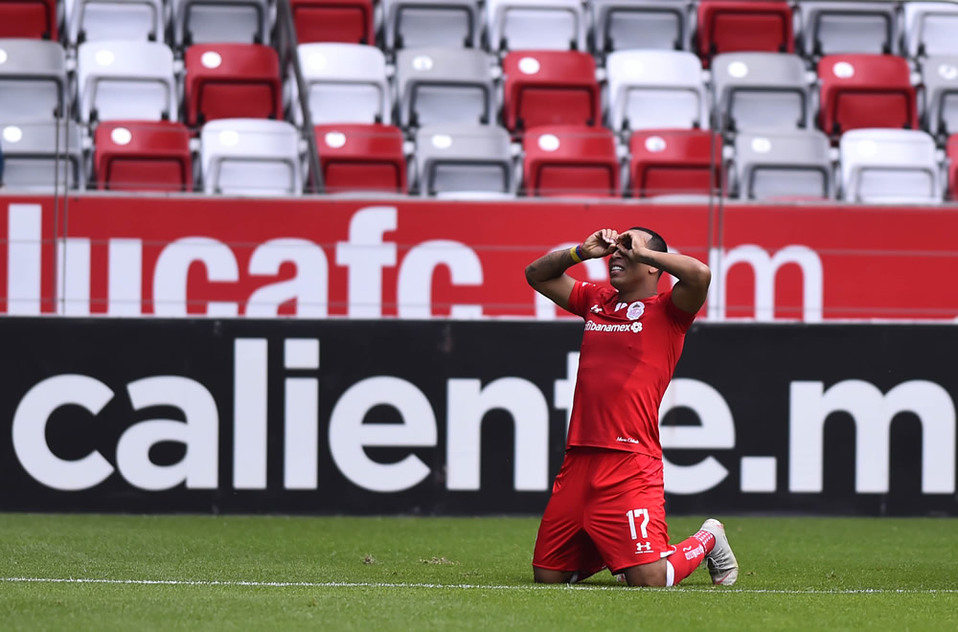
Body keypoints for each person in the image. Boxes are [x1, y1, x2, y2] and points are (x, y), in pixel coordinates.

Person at [525, 226, 739, 588]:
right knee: (549, 576)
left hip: (630, 461)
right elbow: (536, 274)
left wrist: (644, 252)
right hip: (579, 456)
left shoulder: (671, 311)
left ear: (654, 266)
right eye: (616, 249)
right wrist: (581, 252)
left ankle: (709, 539)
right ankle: (617, 548)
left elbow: (700, 273)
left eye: (628, 248)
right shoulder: (596, 299)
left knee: (650, 580)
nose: (617, 254)